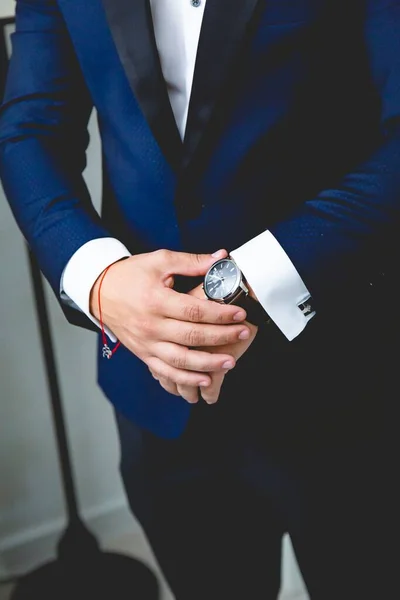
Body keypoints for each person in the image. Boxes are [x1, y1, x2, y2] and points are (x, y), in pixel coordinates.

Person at [1, 1, 399, 598]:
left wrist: (243, 283)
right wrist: (102, 282)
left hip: (353, 381)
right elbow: (30, 130)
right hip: (155, 402)